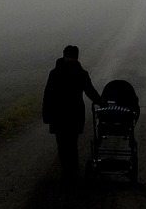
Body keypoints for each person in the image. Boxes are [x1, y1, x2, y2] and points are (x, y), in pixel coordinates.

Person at [42, 44, 102, 182]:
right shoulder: (59, 73)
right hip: (62, 114)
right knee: (63, 143)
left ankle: (71, 170)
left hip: (70, 114)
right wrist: (46, 114)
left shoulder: (65, 73)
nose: (71, 59)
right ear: (65, 56)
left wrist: (100, 101)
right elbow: (48, 95)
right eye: (69, 57)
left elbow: (89, 90)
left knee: (70, 142)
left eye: (72, 57)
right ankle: (68, 170)